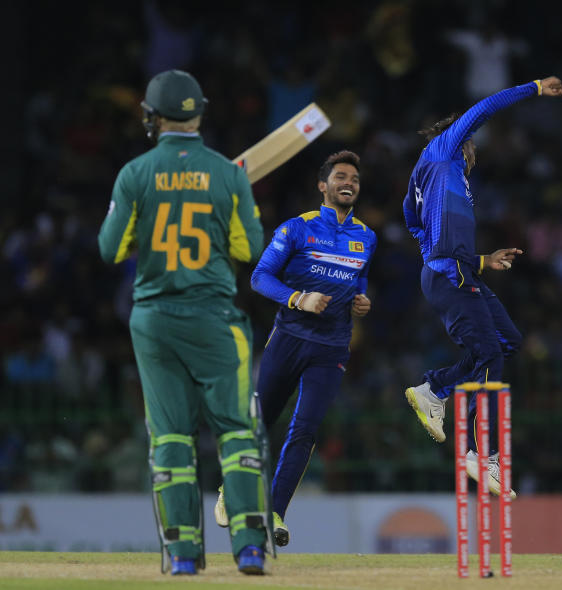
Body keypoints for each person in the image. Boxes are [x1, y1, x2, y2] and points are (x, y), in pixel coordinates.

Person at [97, 69, 269, 575]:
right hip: (215, 318)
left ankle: (183, 557)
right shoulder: (228, 173)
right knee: (236, 432)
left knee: (170, 437)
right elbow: (249, 248)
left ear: (151, 117)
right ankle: (250, 548)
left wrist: (141, 237)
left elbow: (111, 249)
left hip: (154, 320)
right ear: (200, 113)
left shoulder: (135, 173)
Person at [401, 76, 562, 496]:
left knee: (507, 341)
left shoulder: (434, 177)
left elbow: (411, 217)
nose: (475, 152)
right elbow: (484, 109)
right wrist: (534, 88)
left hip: (458, 271)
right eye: (472, 145)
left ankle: (435, 389)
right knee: (490, 354)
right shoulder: (444, 150)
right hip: (450, 275)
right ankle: (485, 456)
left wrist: (477, 260)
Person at [214, 151, 375, 549]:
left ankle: (275, 511)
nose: (348, 182)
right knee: (261, 421)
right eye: (340, 175)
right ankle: (230, 488)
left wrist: (362, 302)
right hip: (288, 339)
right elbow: (259, 278)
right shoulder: (297, 229)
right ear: (323, 186)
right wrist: (298, 299)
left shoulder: (366, 237)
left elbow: (359, 283)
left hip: (332, 348)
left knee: (305, 430)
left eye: (354, 177)